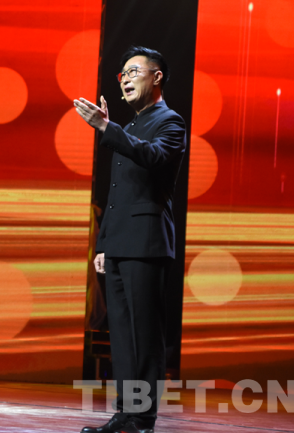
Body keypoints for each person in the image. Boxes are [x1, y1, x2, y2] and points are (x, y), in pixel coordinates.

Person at [73, 46, 186, 433]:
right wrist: (104, 243)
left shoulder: (170, 122)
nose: (125, 79)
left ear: (157, 77)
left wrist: (108, 129)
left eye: (134, 71)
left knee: (144, 334)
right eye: (122, 74)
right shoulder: (130, 126)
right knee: (121, 335)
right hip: (120, 243)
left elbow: (154, 157)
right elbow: (116, 193)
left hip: (146, 241)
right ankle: (125, 413)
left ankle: (142, 418)